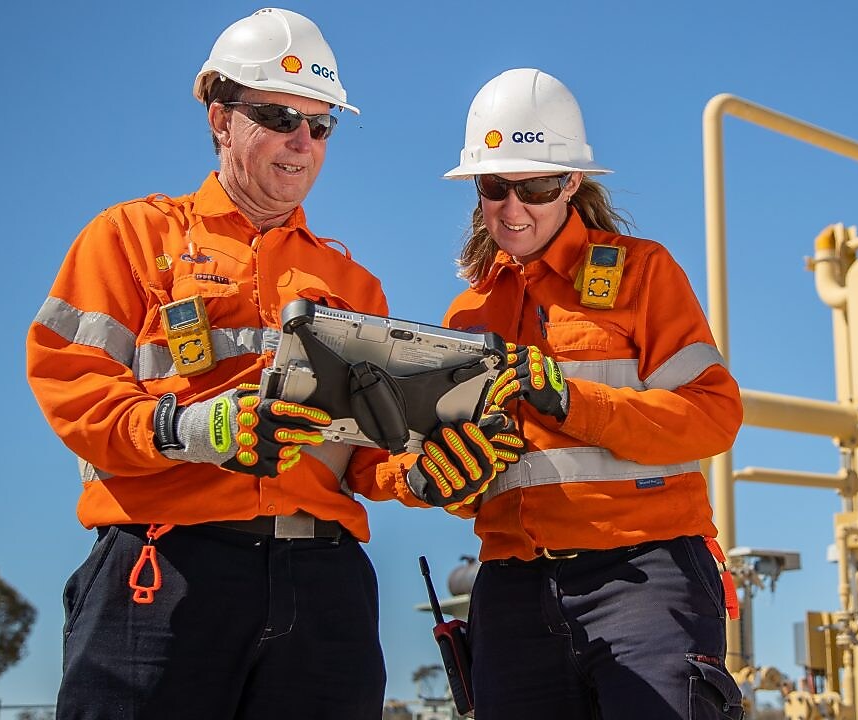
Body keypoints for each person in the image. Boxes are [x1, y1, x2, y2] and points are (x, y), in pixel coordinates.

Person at [25, 9, 519, 719]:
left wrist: (424, 473)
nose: (302, 141)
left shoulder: (354, 285)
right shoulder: (131, 239)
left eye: (320, 125)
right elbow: (73, 391)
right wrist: (199, 430)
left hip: (323, 588)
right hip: (165, 573)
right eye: (277, 115)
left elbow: (365, 457)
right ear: (220, 118)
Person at [439, 67, 746, 720]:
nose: (513, 209)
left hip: (645, 575)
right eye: (496, 187)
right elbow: (468, 485)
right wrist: (439, 475)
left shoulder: (643, 274)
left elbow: (714, 417)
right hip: (511, 591)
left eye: (537, 186)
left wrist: (573, 403)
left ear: (572, 182)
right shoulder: (466, 317)